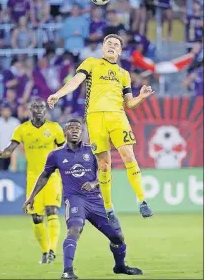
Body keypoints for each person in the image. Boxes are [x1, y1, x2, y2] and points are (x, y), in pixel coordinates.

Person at [47, 34, 154, 230]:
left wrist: (141, 97)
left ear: (120, 51)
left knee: (129, 155)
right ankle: (108, 208)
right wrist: (58, 94)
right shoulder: (91, 63)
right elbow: (75, 82)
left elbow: (129, 103)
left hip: (117, 117)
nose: (112, 46)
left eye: (116, 45)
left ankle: (142, 201)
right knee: (104, 165)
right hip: (95, 119)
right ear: (103, 47)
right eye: (109, 43)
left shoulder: (123, 74)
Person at [23, 119, 143, 279]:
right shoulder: (56, 155)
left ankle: (120, 266)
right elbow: (44, 175)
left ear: (82, 132)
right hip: (74, 200)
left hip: (96, 200)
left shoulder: (92, 151)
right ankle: (67, 271)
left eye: (78, 128)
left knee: (118, 237)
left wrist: (94, 183)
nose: (75, 130)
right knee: (74, 231)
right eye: (71, 128)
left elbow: (105, 171)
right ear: (65, 132)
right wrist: (31, 197)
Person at [0, 97, 65, 264]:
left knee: (52, 211)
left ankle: (53, 250)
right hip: (33, 178)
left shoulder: (55, 128)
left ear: (45, 109)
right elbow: (10, 150)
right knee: (37, 217)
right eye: (35, 107)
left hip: (52, 176)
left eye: (41, 107)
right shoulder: (22, 129)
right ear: (29, 110)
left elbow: (64, 150)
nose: (39, 109)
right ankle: (45, 252)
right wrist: (0, 153)